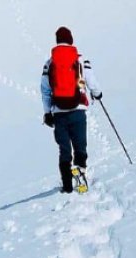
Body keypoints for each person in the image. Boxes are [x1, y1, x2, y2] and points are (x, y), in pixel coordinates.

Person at [40, 26, 102, 194]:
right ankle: (80, 169)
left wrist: (47, 113)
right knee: (80, 145)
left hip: (59, 112)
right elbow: (91, 81)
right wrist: (97, 93)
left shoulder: (50, 63)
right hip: (78, 109)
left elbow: (45, 90)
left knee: (64, 149)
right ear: (71, 40)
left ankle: (67, 184)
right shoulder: (80, 59)